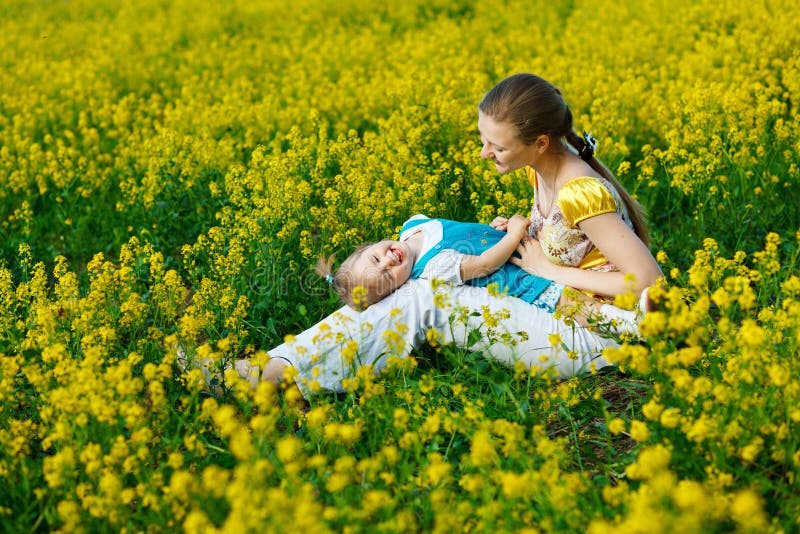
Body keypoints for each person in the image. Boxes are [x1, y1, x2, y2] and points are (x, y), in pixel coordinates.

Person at [188, 73, 663, 399]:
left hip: (593, 335)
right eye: (483, 139)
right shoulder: (541, 168)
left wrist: (546, 267)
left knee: (426, 296)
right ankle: (276, 368)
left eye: (496, 146)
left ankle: (268, 376)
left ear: (540, 142)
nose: (485, 153)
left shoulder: (580, 191)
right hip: (553, 306)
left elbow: (648, 282)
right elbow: (571, 243)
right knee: (411, 284)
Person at [316, 213, 560, 312]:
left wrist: (489, 229)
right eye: (388, 275)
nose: (388, 260)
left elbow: (464, 238)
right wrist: (513, 235)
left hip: (528, 247)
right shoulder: (434, 267)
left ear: (367, 246)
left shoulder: (412, 225)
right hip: (528, 280)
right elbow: (485, 263)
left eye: (375, 258)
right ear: (397, 289)